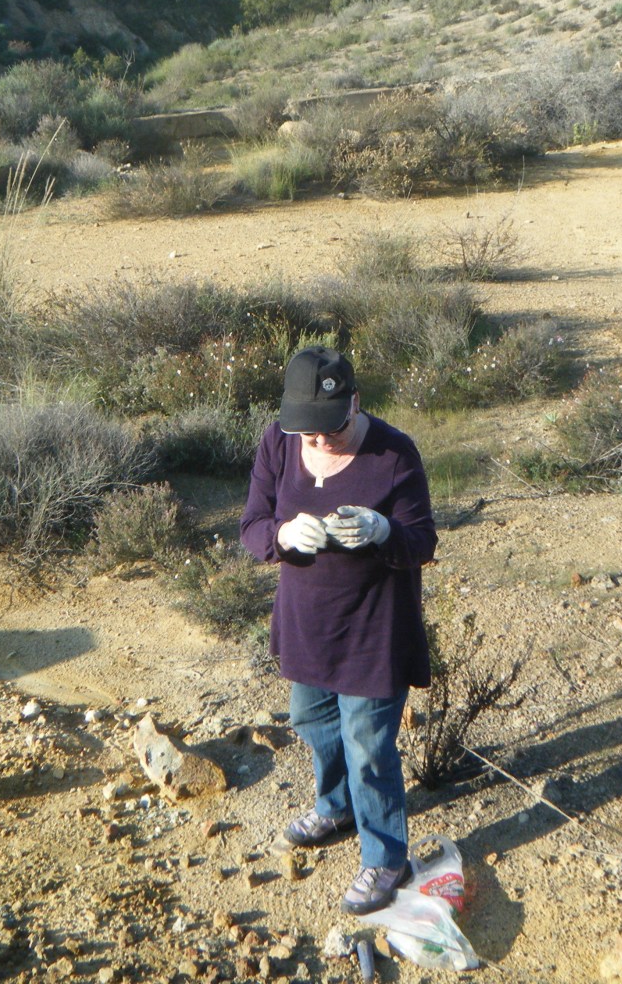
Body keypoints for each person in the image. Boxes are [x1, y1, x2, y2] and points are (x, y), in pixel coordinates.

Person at [239, 346, 437, 915]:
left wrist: (382, 531)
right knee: (310, 717)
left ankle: (385, 856)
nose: (320, 442)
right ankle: (336, 805)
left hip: (376, 626)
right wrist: (279, 538)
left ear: (355, 403)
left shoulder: (393, 453)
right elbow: (252, 525)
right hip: (307, 623)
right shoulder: (279, 441)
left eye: (331, 429)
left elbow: (422, 539)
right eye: (308, 433)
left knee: (368, 744)